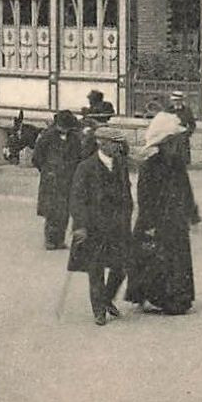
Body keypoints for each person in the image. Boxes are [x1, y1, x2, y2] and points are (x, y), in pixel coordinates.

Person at [126, 112, 199, 314]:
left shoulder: (177, 164)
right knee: (156, 257)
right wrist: (148, 223)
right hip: (156, 220)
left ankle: (179, 297)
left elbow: (185, 189)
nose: (176, 145)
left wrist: (191, 212)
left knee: (177, 258)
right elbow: (145, 197)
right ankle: (155, 297)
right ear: (165, 143)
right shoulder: (149, 166)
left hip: (175, 219)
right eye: (173, 142)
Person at [68, 124, 133, 326]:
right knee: (95, 269)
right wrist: (79, 226)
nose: (118, 148)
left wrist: (127, 214)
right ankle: (98, 310)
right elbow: (76, 199)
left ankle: (106, 299)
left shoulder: (120, 164)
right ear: (102, 144)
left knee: (121, 267)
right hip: (94, 226)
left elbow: (126, 192)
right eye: (115, 144)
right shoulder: (86, 167)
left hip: (118, 225)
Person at [32, 111, 83, 250]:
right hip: (51, 179)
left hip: (69, 179)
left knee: (65, 210)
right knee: (51, 210)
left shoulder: (74, 138)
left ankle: (60, 240)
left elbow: (79, 157)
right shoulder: (47, 136)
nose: (65, 130)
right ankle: (50, 239)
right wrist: (47, 170)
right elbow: (37, 157)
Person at [166, 90, 198, 166]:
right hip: (171, 137)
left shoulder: (186, 110)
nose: (177, 102)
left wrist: (187, 134)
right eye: (175, 100)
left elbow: (192, 124)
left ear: (182, 101)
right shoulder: (168, 110)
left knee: (182, 159)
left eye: (178, 100)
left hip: (182, 137)